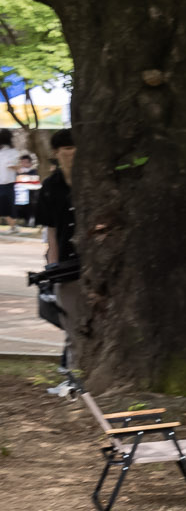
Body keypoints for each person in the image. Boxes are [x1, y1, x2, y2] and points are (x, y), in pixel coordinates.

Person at [30, 130, 80, 384]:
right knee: (72, 326)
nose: (72, 153)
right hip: (67, 266)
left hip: (99, 263)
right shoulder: (50, 187)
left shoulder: (95, 181)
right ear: (56, 153)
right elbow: (51, 233)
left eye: (75, 147)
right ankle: (74, 379)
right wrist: (53, 267)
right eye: (67, 148)